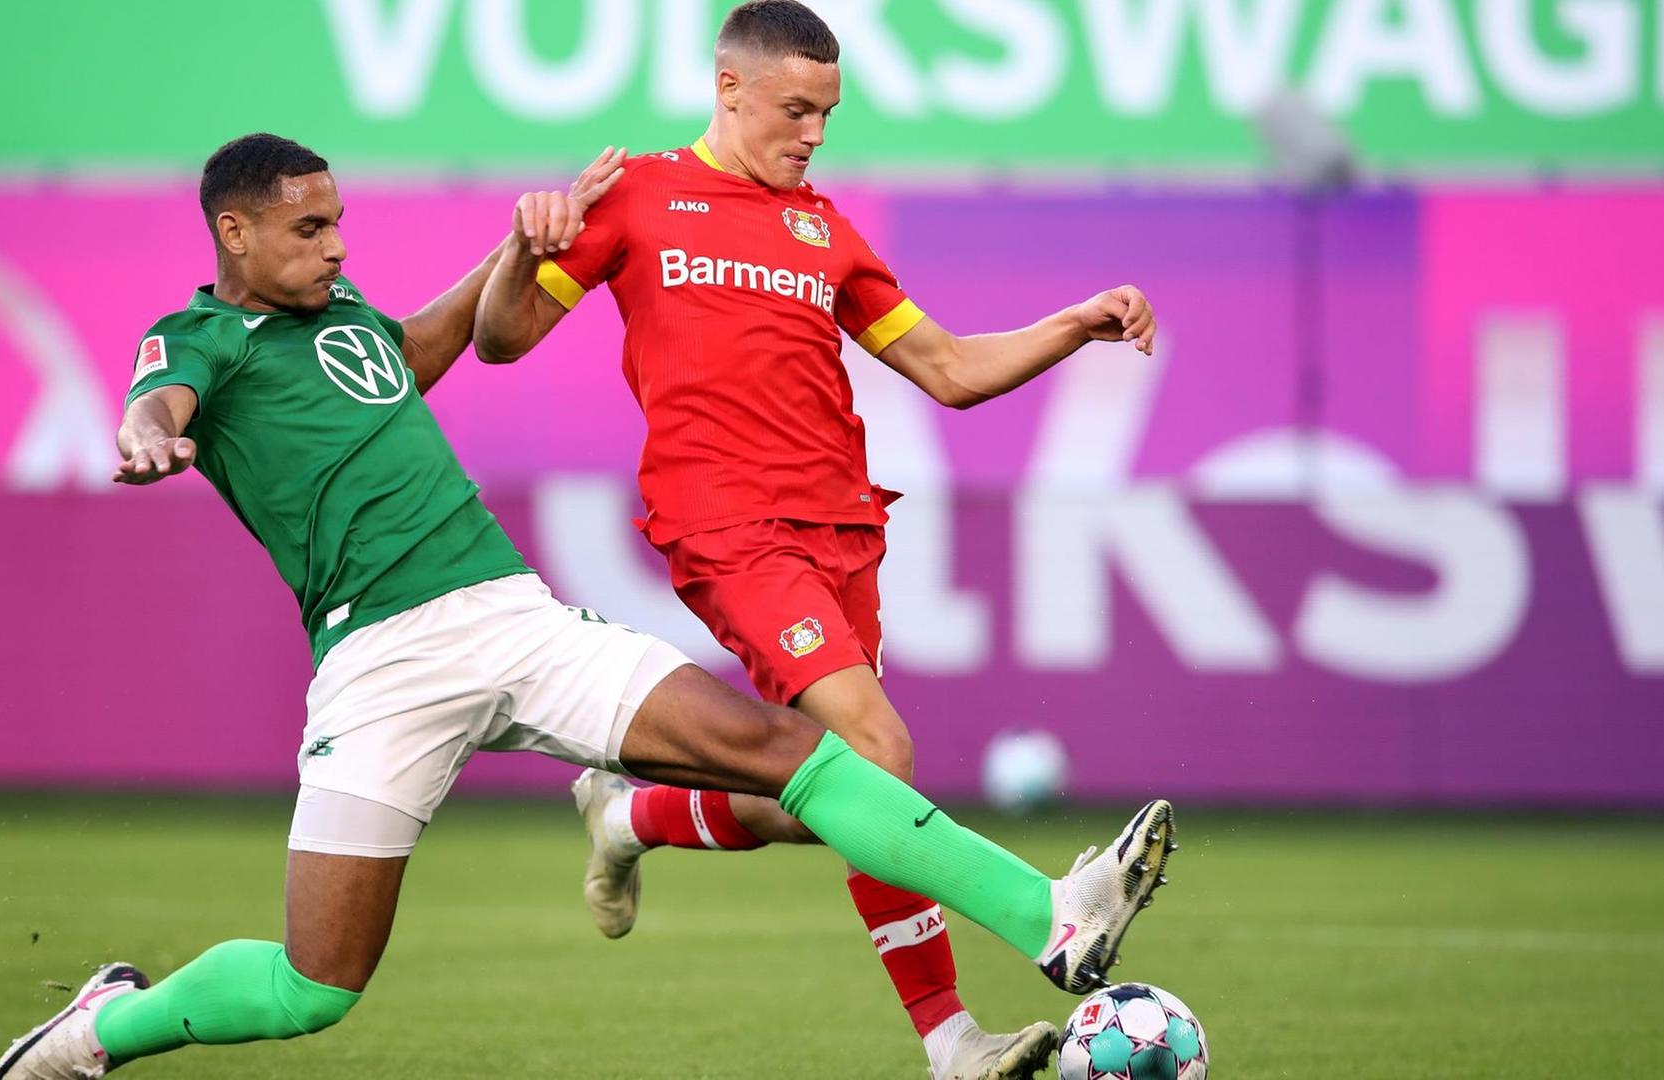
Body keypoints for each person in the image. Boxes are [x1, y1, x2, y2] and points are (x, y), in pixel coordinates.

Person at [0, 133, 1174, 1080]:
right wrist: (148, 443)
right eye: (309, 228)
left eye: (341, 221)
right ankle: (104, 1032)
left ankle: (1051, 917)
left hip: (512, 615)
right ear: (232, 232)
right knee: (316, 985)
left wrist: (516, 243)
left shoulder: (348, 323)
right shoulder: (198, 335)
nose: (335, 245)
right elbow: (159, 407)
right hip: (379, 664)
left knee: (782, 747)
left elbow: (428, 345)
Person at [472, 4, 1165, 1078]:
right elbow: (501, 338)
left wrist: (1073, 323)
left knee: (837, 789)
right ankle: (1040, 930)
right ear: (728, 87)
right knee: (881, 755)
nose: (813, 133)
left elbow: (948, 370)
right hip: (727, 528)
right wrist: (524, 249)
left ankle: (636, 816)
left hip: (843, 529)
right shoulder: (638, 199)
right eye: (795, 109)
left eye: (828, 114)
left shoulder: (824, 229)